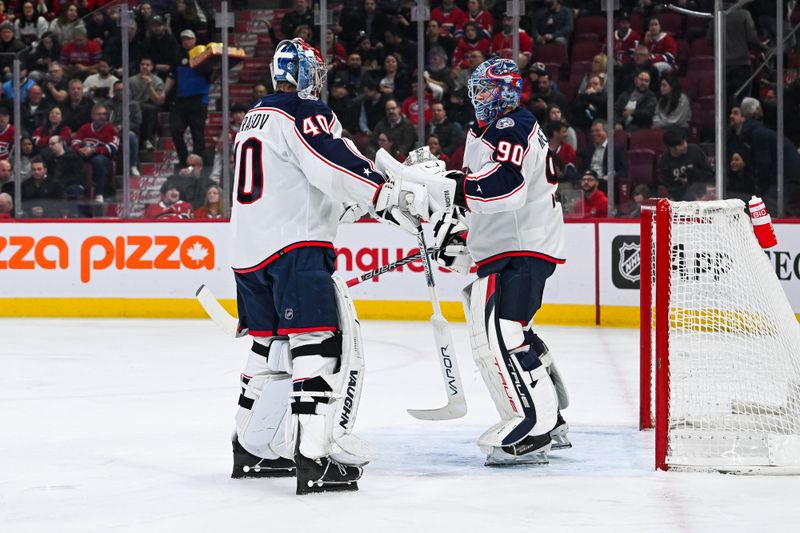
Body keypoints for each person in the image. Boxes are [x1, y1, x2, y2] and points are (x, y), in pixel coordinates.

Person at [227, 38, 418, 494]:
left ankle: (251, 449)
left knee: (270, 347)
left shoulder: (253, 119)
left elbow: (298, 183)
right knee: (317, 344)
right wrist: (382, 191)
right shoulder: (303, 112)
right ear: (307, 74)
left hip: (249, 252)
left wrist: (352, 204)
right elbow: (331, 162)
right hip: (295, 249)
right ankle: (314, 458)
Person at [415, 58, 570, 466]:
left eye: (484, 89)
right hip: (513, 244)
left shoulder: (511, 126)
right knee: (515, 329)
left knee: (503, 332)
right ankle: (552, 419)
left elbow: (505, 189)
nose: (476, 96)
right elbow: (484, 196)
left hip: (523, 245)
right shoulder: (486, 130)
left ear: (504, 91)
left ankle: (534, 427)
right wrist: (465, 237)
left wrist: (451, 188)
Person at [164, 29, 217, 167]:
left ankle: (197, 164)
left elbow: (212, 76)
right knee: (175, 130)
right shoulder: (177, 57)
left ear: (194, 40)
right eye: (183, 39)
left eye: (188, 39)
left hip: (199, 99)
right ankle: (184, 160)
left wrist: (217, 70)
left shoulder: (203, 55)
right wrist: (163, 92)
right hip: (181, 99)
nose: (185, 41)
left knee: (197, 134)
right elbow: (171, 76)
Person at [71, 102, 119, 202]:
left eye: (104, 114)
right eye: (99, 114)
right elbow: (75, 141)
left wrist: (94, 150)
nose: (102, 116)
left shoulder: (111, 129)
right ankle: (77, 188)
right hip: (84, 155)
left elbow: (113, 147)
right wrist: (79, 149)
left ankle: (99, 193)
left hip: (104, 158)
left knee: (98, 160)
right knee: (71, 157)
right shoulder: (85, 127)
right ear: (92, 116)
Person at [658, 127, 714, 200]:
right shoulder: (664, 161)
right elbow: (669, 186)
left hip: (701, 189)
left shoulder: (695, 150)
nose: (685, 145)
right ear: (671, 148)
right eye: (681, 145)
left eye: (685, 142)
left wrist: (694, 174)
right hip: (681, 196)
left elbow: (708, 173)